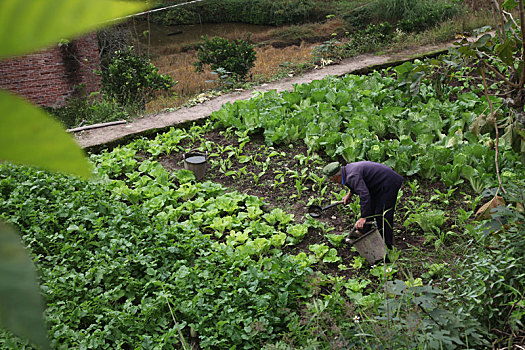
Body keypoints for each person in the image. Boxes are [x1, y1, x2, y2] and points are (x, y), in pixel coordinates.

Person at [322, 161, 404, 250]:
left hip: (388, 183)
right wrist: (349, 195)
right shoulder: (346, 171)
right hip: (377, 184)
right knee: (371, 207)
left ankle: (387, 245)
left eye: (331, 180)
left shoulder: (351, 176)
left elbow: (364, 195)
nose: (333, 182)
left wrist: (363, 217)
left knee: (382, 214)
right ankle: (364, 231)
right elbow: (358, 183)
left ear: (336, 176)